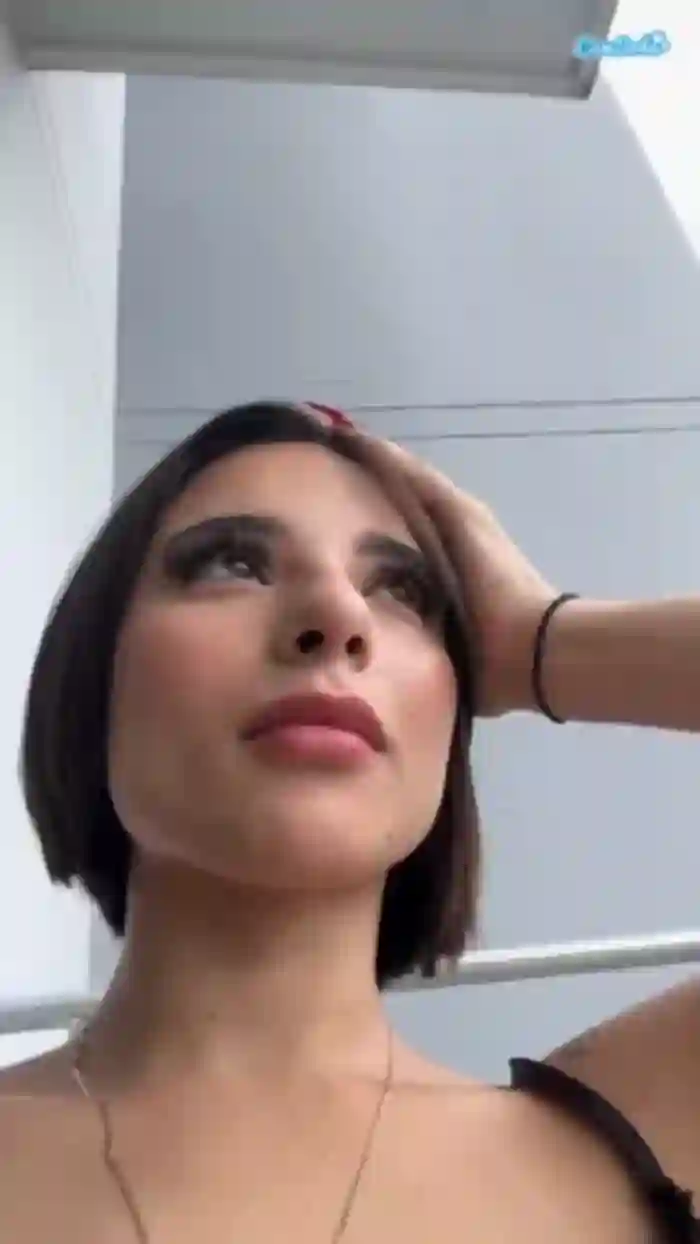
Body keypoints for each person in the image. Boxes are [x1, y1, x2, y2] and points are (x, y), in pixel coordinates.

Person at [0, 399, 698, 1243]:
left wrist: (542, 641)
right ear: (95, 674)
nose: (336, 615)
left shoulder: (622, 1157)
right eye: (233, 563)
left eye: (403, 591)